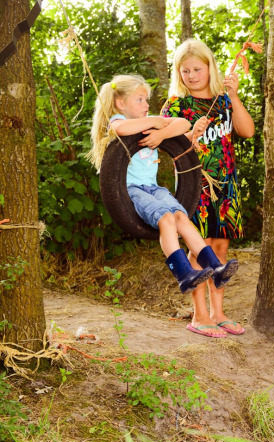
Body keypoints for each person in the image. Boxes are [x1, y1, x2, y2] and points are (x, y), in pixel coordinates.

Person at [88, 74, 239, 338]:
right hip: (132, 191)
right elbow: (121, 130)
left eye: (146, 99)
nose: (146, 104)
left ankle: (215, 267)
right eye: (140, 99)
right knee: (166, 220)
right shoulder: (119, 121)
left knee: (181, 216)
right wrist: (157, 121)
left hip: (154, 188)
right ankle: (183, 273)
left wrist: (162, 133)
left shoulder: (151, 128)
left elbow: (182, 123)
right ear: (121, 103)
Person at [162, 39, 255, 338]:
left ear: (210, 67)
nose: (191, 75)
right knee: (198, 248)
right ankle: (199, 315)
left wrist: (234, 96)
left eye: (197, 69)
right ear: (178, 73)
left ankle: (218, 312)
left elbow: (247, 131)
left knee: (221, 246)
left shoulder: (223, 100)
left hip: (226, 184)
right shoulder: (176, 105)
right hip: (196, 184)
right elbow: (169, 148)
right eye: (184, 70)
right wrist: (191, 134)